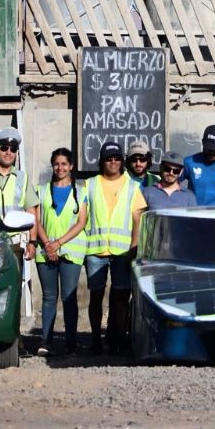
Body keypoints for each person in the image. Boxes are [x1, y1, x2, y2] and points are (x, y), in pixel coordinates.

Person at [84, 141, 148, 355]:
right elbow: (82, 217)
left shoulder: (132, 187)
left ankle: (117, 341)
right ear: (101, 161)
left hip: (122, 252)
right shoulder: (90, 184)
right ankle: (95, 340)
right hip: (96, 250)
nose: (113, 162)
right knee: (96, 297)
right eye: (109, 158)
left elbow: (137, 220)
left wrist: (134, 248)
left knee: (120, 298)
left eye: (117, 158)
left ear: (122, 161)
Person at [31, 148, 87, 357]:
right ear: (52, 165)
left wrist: (59, 243)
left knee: (69, 297)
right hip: (45, 250)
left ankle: (71, 343)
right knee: (48, 297)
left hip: (71, 251)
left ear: (71, 166)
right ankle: (46, 341)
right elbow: (36, 219)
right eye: (56, 164)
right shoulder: (42, 190)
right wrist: (47, 244)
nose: (60, 168)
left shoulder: (81, 192)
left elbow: (81, 222)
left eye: (64, 164)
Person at [0, 128, 39, 264]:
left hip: (15, 244)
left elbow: (31, 212)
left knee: (14, 284)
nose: (9, 152)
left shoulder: (23, 178)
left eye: (13, 149)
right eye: (4, 148)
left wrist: (33, 242)